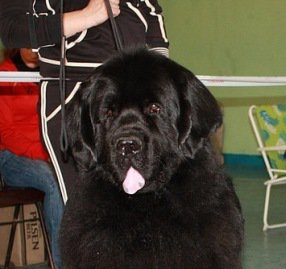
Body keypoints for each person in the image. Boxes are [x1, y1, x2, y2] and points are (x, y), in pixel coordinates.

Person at [0, 0, 169, 202]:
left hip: (136, 103)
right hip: (75, 103)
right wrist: (87, 17)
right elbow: (13, 30)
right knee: (87, 212)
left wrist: (160, 85)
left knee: (147, 208)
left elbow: (153, 18)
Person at [0, 48, 63, 269]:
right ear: (16, 45)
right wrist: (44, 153)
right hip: (10, 157)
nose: (35, 50)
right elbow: (6, 134)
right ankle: (62, 264)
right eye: (28, 43)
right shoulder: (5, 74)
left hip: (47, 152)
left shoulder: (51, 73)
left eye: (39, 45)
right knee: (54, 181)